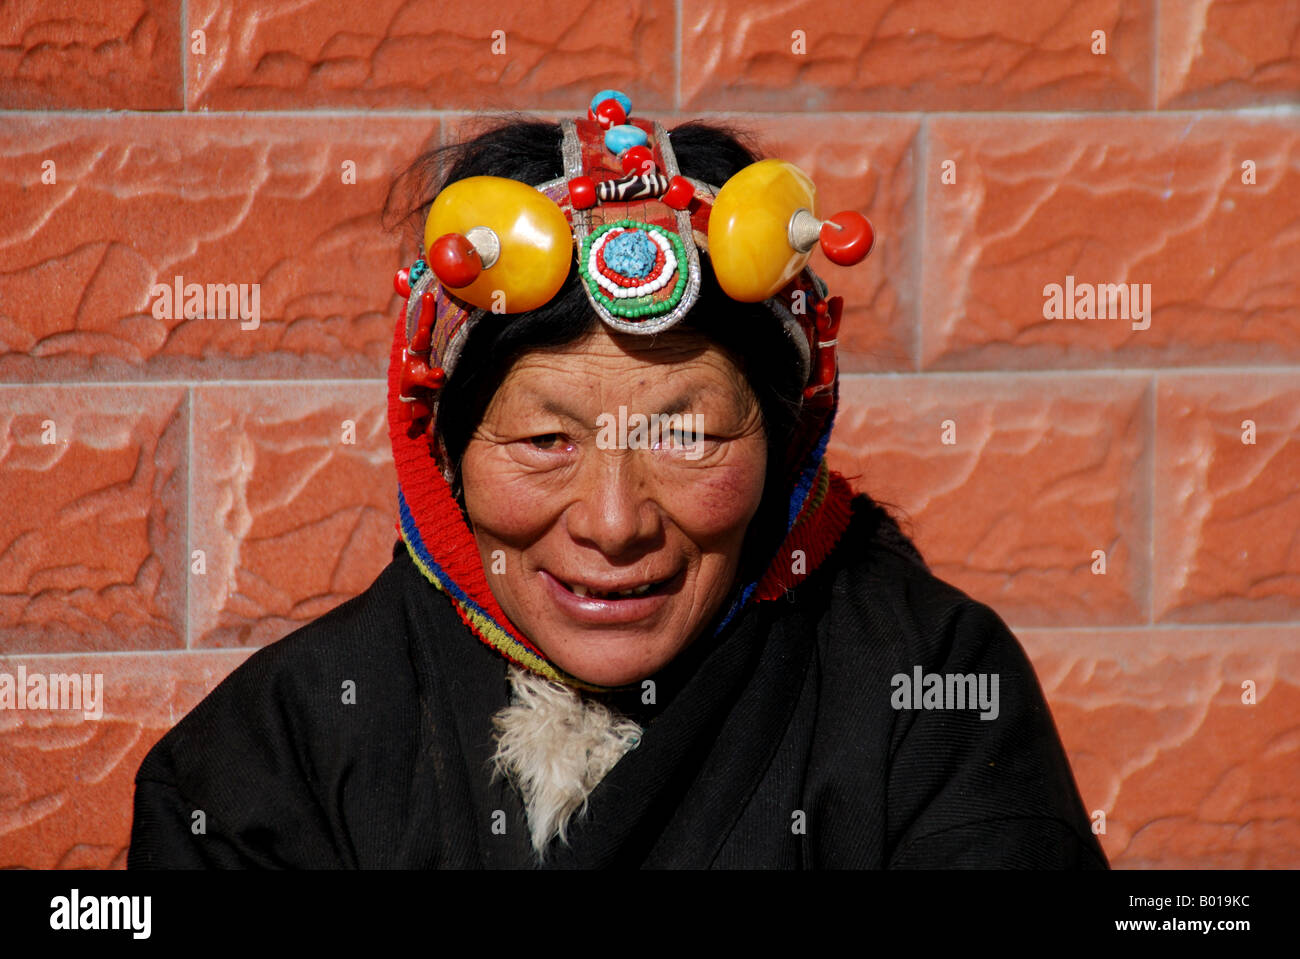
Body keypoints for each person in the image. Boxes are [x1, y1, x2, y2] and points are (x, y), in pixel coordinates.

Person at [128, 93, 1108, 869]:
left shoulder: (926, 695)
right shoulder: (279, 759)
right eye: (549, 437)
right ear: (444, 450)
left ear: (786, 442)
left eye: (684, 433)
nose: (613, 522)